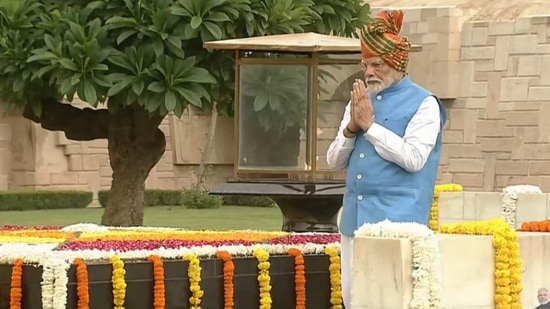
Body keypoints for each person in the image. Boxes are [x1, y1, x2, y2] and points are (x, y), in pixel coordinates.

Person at [326, 9, 447, 308]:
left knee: (390, 301)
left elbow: (415, 158)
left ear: (396, 63)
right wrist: (352, 128)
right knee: (354, 301)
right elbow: (333, 161)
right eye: (365, 65)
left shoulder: (425, 103)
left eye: (377, 65)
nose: (368, 73)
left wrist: (371, 127)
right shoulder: (360, 99)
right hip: (354, 222)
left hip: (398, 224)